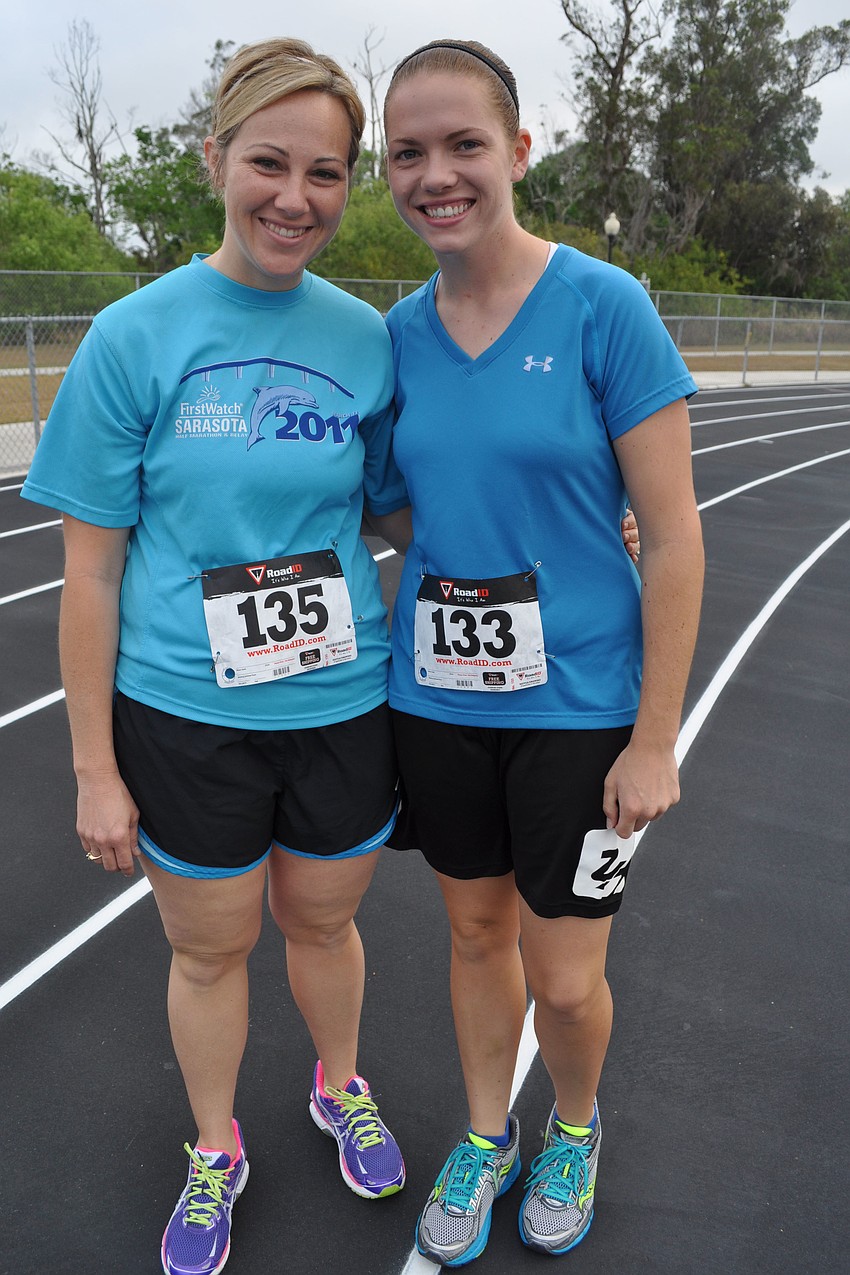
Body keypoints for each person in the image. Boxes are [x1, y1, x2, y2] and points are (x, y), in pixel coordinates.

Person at [20, 38, 414, 1275]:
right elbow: (89, 570)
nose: (295, 196)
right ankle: (213, 1149)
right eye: (268, 164)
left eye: (326, 173)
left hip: (343, 698)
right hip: (184, 710)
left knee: (324, 920)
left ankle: (336, 1085)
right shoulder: (133, 338)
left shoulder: (365, 338)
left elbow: (397, 506)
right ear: (215, 161)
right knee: (209, 943)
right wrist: (94, 768)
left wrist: (572, 514)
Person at [380, 39, 705, 1266]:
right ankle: (485, 1133)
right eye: (408, 153)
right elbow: (387, 503)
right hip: (440, 699)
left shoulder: (603, 305)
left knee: (564, 980)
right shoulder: (397, 333)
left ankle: (572, 1122)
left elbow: (673, 540)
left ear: (518, 151)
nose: (435, 174)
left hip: (581, 709)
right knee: (472, 937)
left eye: (463, 144)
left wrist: (654, 735)